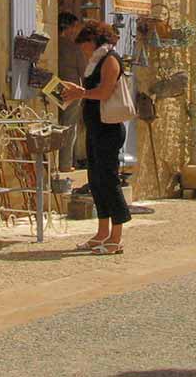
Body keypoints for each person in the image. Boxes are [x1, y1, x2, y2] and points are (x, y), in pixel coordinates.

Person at [61, 20, 131, 255]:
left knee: (109, 181)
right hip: (95, 127)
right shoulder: (95, 62)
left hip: (109, 129)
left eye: (85, 45)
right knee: (96, 180)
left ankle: (116, 237)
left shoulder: (110, 60)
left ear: (94, 40)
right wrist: (77, 91)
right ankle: (102, 233)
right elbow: (91, 91)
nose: (83, 49)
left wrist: (81, 92)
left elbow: (104, 92)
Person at [55, 12, 86, 172]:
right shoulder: (73, 48)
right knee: (69, 127)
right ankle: (65, 163)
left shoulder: (54, 44)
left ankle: (55, 162)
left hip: (54, 88)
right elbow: (84, 72)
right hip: (72, 91)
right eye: (75, 27)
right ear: (69, 28)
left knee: (55, 124)